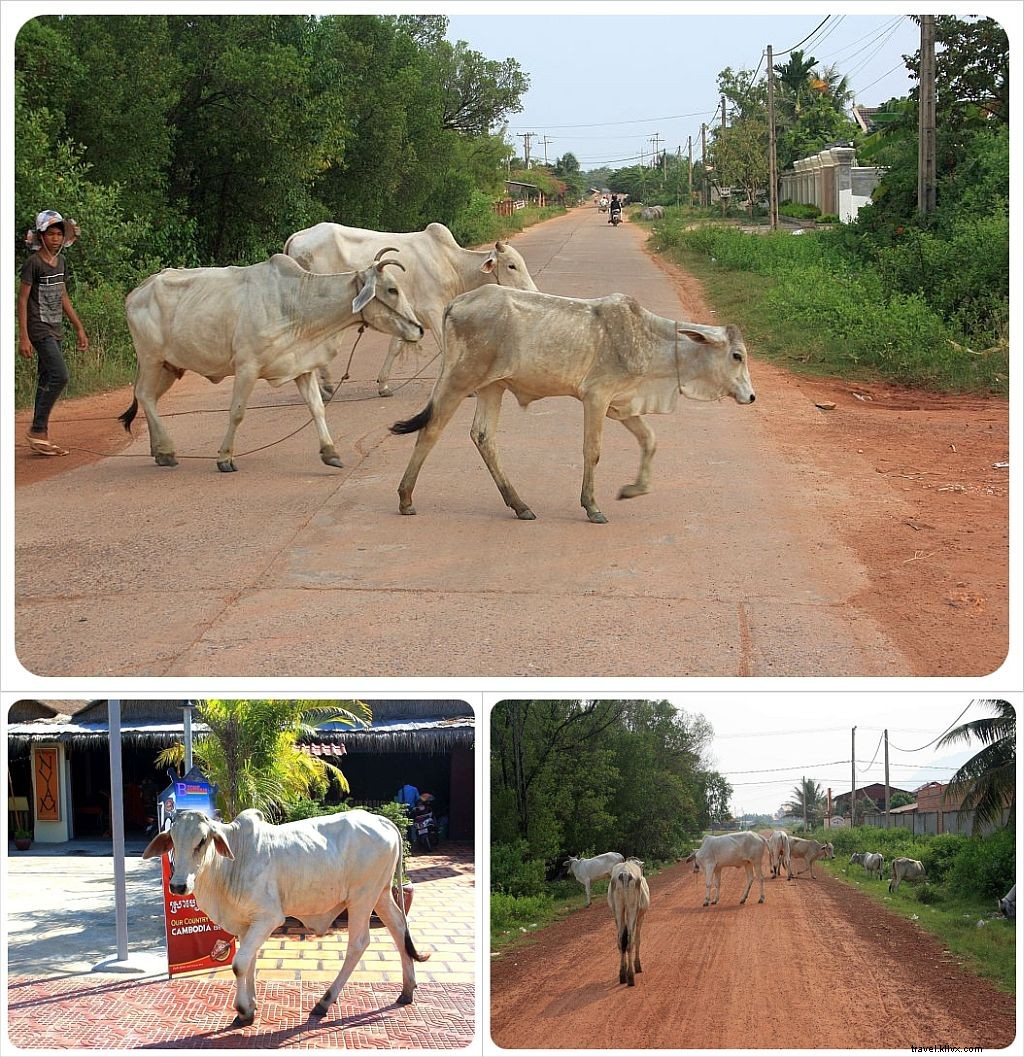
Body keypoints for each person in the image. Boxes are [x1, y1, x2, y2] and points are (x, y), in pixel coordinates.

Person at [18, 210, 88, 456]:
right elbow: (23, 300)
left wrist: (79, 327)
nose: (56, 238)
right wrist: (23, 337)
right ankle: (37, 429)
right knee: (61, 376)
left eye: (59, 234)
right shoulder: (33, 263)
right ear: (41, 236)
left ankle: (41, 437)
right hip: (38, 328)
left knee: (46, 379)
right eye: (51, 234)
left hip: (55, 326)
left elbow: (63, 295)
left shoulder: (61, 262)